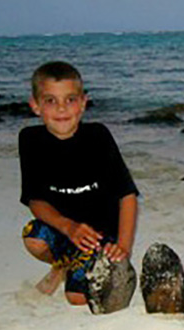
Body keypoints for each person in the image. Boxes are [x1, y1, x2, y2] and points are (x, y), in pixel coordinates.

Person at [19, 61, 139, 306]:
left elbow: (127, 196)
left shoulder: (98, 137)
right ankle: (61, 264)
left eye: (70, 99)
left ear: (83, 103)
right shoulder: (29, 139)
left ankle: (73, 265)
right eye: (51, 100)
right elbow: (35, 200)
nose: (62, 108)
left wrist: (123, 247)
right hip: (64, 228)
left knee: (77, 298)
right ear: (35, 106)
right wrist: (68, 226)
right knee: (33, 237)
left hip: (98, 235)